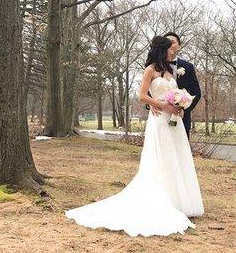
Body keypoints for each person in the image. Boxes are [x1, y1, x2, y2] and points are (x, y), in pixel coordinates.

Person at [65, 36, 204, 237]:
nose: (171, 52)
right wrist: (161, 105)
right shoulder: (150, 70)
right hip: (159, 120)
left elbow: (177, 94)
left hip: (174, 120)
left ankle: (179, 200)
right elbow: (142, 96)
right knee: (161, 158)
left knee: (176, 157)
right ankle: (162, 200)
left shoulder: (167, 71)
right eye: (168, 49)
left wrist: (180, 107)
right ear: (161, 50)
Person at [162, 32, 201, 139]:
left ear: (179, 46)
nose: (169, 44)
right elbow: (148, 90)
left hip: (181, 117)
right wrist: (151, 105)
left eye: (173, 42)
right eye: (166, 42)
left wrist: (184, 109)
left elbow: (196, 93)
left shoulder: (188, 67)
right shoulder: (156, 66)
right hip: (160, 115)